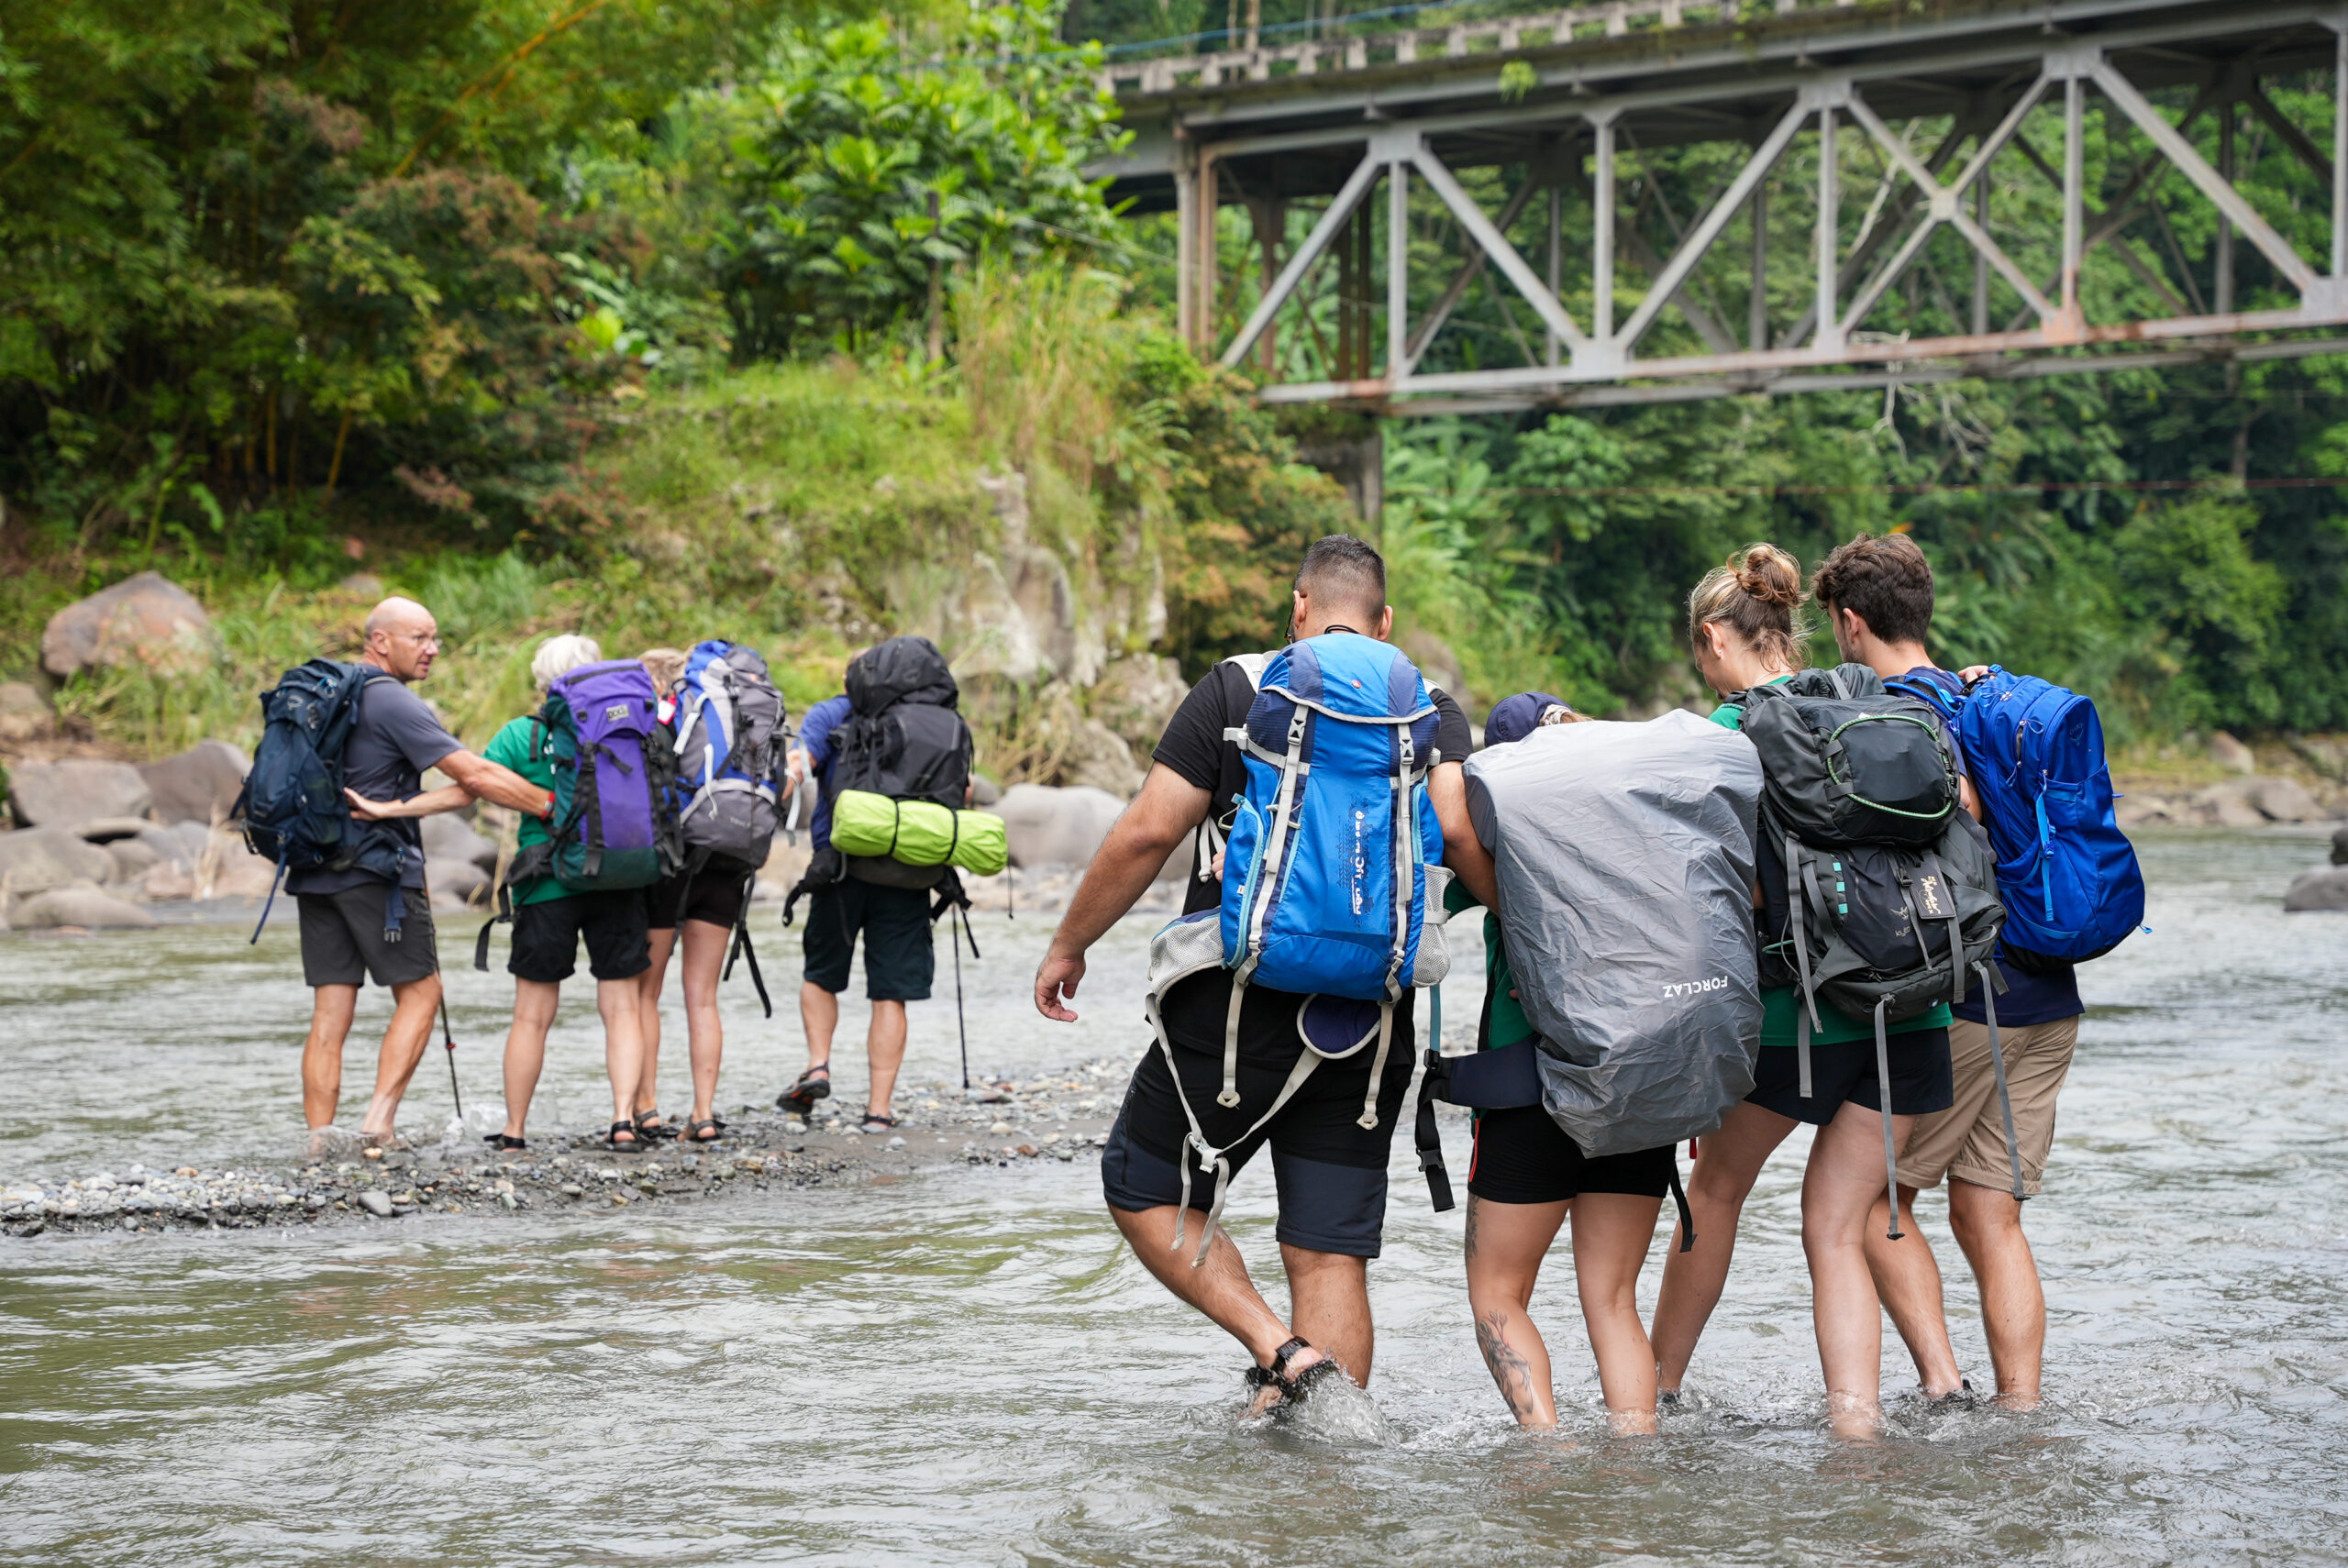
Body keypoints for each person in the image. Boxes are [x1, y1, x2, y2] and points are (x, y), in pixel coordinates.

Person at [1033, 535, 1481, 1412]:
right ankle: (1326, 1462)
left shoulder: (1240, 690)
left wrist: (1069, 944)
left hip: (1231, 1009)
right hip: (1368, 1021)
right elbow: (1460, 841)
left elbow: (1147, 833)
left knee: (1139, 1180)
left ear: (1299, 608)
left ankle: (1276, 1350)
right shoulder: (1432, 709)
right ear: (1385, 622)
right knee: (1327, 1251)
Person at [1645, 546, 1959, 1439]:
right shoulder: (1872, 699)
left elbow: (1718, 890)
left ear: (1715, 637)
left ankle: (1656, 1389)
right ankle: (1861, 1424)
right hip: (1913, 1003)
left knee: (1715, 1193)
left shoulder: (1725, 730)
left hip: (1797, 1013)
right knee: (1842, 1217)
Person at [1813, 531, 2084, 1411]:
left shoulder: (1892, 718)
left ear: (1852, 623)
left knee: (1870, 1206)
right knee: (1991, 1214)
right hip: (2050, 995)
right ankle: (2021, 1410)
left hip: (1964, 1005)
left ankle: (1943, 1386)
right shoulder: (1986, 697)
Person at [1451, 695, 1680, 1433]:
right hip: (1639, 1088)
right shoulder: (1647, 843)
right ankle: (1636, 1456)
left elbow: (1437, 852)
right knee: (1613, 1299)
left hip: (1532, 1090)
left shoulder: (1500, 846)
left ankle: (1546, 1448)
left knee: (1498, 1291)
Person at [352, 634, 657, 1154]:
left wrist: (394, 808)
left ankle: (515, 1131)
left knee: (532, 1015)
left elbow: (465, 790)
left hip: (546, 884)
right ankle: (624, 1120)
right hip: (619, 876)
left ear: (544, 681)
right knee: (623, 1006)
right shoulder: (634, 729)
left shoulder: (522, 735)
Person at [309, 597, 548, 1150]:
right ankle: (377, 1127)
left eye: (434, 637)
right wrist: (546, 804)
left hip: (315, 864)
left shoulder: (326, 694)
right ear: (380, 642)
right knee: (422, 992)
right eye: (419, 638)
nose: (433, 649)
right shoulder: (392, 701)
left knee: (330, 1007)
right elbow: (475, 774)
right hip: (377, 868)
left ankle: (320, 1140)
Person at [774, 669, 928, 1135]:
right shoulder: (924, 719)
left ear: (848, 679)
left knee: (821, 974)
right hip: (908, 868)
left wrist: (771, 796)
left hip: (838, 866)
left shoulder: (829, 712)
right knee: (890, 991)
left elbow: (799, 765)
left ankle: (818, 1066)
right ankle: (878, 1111)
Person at [630, 646, 735, 1145]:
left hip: (672, 858)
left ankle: (645, 1107)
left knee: (645, 992)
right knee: (703, 997)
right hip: (727, 854)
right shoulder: (722, 716)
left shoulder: (660, 717)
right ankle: (704, 1113)